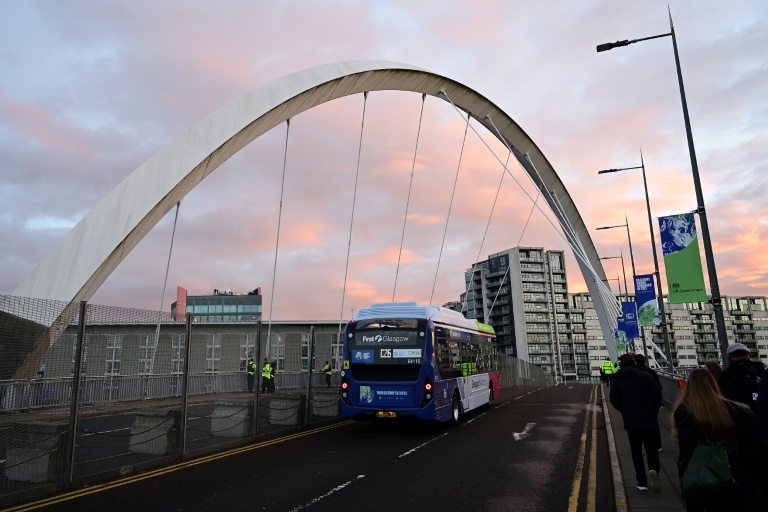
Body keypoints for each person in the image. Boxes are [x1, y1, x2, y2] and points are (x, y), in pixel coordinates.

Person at [672, 368, 768, 510]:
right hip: (743, 484)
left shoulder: (687, 412)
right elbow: (756, 453)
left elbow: (687, 453)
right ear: (714, 384)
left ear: (689, 387)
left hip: (711, 484)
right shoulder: (740, 411)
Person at [610, 353, 663, 492]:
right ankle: (654, 470)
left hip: (631, 421)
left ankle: (641, 481)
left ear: (620, 365)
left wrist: (624, 410)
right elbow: (657, 395)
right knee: (651, 448)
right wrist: (653, 409)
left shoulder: (617, 380)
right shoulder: (645, 376)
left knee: (636, 451)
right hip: (649, 419)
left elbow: (614, 400)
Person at [718, 342, 758, 412]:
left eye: (743, 355)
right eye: (736, 356)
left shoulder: (758, 370)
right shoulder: (725, 377)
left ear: (749, 356)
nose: (740, 358)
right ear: (730, 358)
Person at [635, 354, 663, 452]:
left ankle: (645, 446)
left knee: (639, 425)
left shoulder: (633, 373)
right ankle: (657, 445)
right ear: (644, 361)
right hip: (652, 404)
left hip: (638, 404)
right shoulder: (651, 372)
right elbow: (659, 387)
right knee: (654, 424)